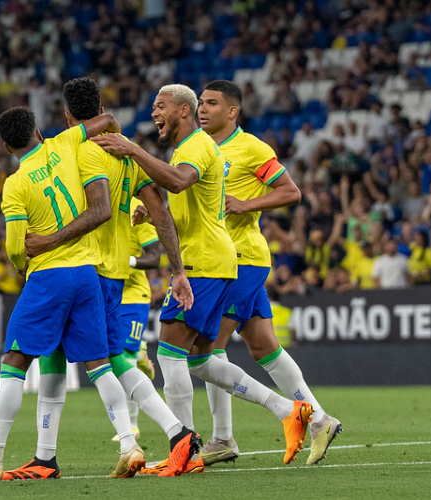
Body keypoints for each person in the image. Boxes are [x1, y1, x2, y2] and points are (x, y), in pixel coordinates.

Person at [92, 84, 312, 472]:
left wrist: (133, 150)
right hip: (215, 258)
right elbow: (194, 204)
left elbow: (178, 181)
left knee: (170, 356)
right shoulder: (191, 147)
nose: (154, 113)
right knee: (200, 360)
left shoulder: (195, 146)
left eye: (160, 106)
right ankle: (287, 409)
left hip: (205, 263)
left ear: (182, 110)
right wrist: (151, 210)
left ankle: (186, 450)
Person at [0, 107, 163, 482]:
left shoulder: (15, 184)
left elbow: (16, 246)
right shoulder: (64, 143)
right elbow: (106, 121)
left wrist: (20, 264)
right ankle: (129, 445)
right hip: (88, 274)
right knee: (99, 364)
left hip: (49, 276)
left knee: (14, 360)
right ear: (38, 131)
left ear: (7, 145)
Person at [23, 77, 196, 478]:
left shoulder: (80, 151)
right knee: (74, 356)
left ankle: (171, 434)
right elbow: (161, 212)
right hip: (115, 272)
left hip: (86, 269)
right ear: (100, 107)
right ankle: (46, 456)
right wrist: (178, 269)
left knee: (101, 360)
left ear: (67, 116)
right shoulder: (127, 152)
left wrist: (46, 242)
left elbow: (97, 209)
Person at [192, 80, 339, 466]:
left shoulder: (251, 148)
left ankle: (223, 438)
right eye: (200, 103)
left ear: (233, 111)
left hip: (241, 259)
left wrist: (245, 204)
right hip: (221, 259)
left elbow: (291, 192)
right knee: (263, 347)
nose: (202, 109)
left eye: (211, 103)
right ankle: (320, 420)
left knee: (207, 349)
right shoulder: (200, 148)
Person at [117, 197, 162, 439]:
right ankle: (139, 352)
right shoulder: (95, 205)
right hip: (108, 296)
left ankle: (132, 426)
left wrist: (127, 262)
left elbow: (155, 256)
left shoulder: (135, 208)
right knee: (112, 357)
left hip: (134, 296)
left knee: (123, 359)